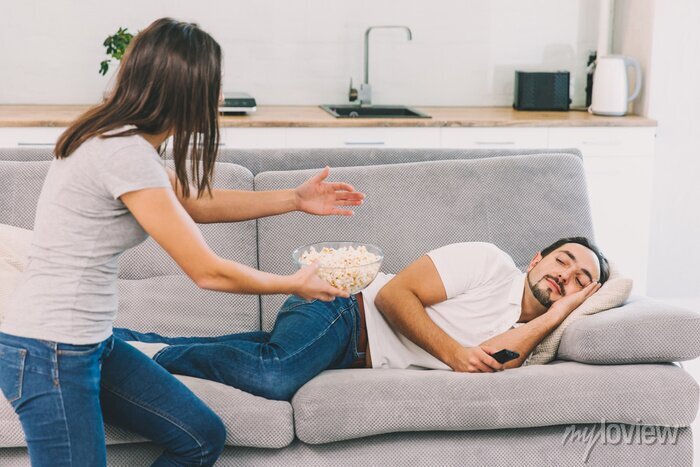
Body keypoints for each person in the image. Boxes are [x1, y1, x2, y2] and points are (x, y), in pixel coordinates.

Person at [0, 18, 363, 467]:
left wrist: (293, 198)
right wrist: (293, 283)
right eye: (215, 86)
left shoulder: (125, 142)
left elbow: (191, 201)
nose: (220, 98)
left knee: (199, 435)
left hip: (91, 342)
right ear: (186, 91)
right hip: (49, 352)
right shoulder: (122, 152)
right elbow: (206, 271)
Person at [114, 237, 609, 402]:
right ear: (536, 259)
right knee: (273, 372)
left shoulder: (533, 333)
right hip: (343, 306)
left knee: (261, 356)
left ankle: (122, 342)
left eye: (581, 278)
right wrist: (454, 353)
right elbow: (394, 296)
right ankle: (148, 356)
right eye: (563, 260)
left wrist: (561, 312)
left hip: (347, 350)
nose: (567, 275)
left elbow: (498, 359)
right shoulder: (489, 262)